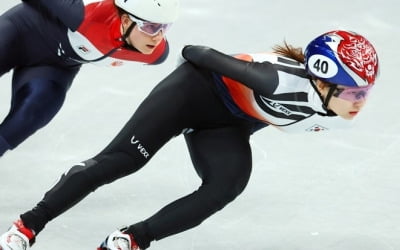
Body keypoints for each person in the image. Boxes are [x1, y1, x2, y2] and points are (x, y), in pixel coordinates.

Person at [0, 30, 379, 250]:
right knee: (122, 161)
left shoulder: (337, 113)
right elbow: (198, 53)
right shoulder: (274, 80)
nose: (360, 102)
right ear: (321, 80)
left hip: (228, 124)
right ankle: (28, 225)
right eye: (353, 93)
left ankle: (130, 240)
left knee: (225, 187)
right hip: (191, 95)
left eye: (364, 92)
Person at [0, 0, 179, 157]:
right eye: (150, 26)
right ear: (126, 20)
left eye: (165, 27)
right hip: (19, 33)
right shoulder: (85, 14)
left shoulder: (156, 54)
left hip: (52, 68)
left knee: (35, 112)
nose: (158, 37)